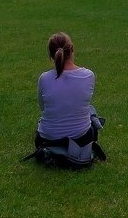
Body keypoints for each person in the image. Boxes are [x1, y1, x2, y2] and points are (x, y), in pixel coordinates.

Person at [35, 32, 102, 161]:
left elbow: (42, 107)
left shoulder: (44, 78)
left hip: (48, 138)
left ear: (51, 55)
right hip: (81, 137)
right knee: (90, 110)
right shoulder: (88, 75)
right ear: (72, 50)